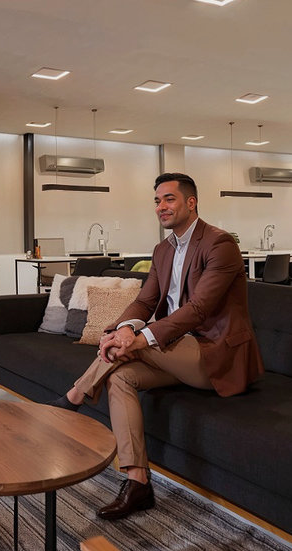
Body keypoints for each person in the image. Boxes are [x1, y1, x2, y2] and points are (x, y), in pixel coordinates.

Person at [49, 172, 264, 520]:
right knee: (120, 377)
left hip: (214, 354)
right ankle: (138, 483)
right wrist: (122, 328)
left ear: (191, 203)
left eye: (169, 199)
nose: (161, 206)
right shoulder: (163, 250)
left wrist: (133, 339)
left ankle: (73, 398)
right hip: (175, 352)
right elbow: (144, 302)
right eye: (157, 200)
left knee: (128, 347)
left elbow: (199, 309)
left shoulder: (219, 243)